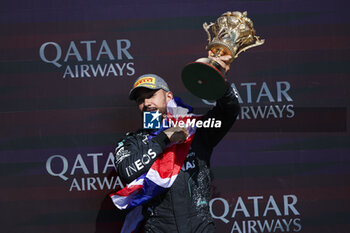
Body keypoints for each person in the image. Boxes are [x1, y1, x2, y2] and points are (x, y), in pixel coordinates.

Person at [113, 54, 240, 232]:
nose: (146, 103)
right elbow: (127, 171)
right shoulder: (131, 141)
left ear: (168, 96)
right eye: (140, 100)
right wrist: (165, 136)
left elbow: (228, 111)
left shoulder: (195, 129)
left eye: (151, 95)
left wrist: (219, 80)